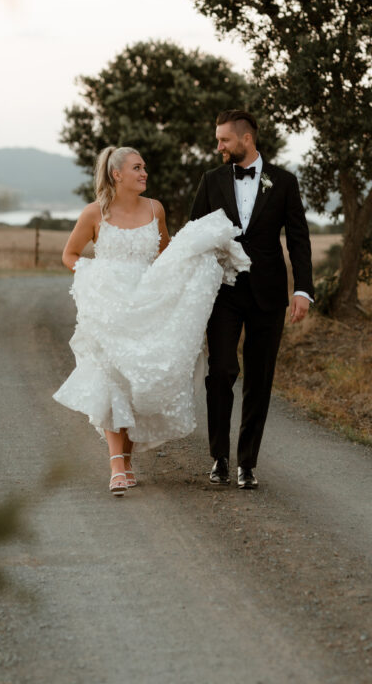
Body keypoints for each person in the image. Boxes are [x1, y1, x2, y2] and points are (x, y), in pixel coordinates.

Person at [53, 144, 249, 496]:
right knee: (111, 376)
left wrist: (198, 264)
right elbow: (69, 255)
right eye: (137, 168)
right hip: (109, 306)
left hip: (147, 304)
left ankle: (125, 461)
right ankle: (116, 466)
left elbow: (166, 256)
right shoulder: (94, 214)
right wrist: (92, 279)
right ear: (117, 175)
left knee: (135, 382)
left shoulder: (155, 209)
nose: (144, 173)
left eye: (144, 168)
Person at [190, 109, 314, 490]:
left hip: (268, 293)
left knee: (260, 378)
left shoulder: (285, 182)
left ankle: (247, 463)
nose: (219, 146)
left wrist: (302, 289)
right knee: (222, 371)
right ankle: (219, 457)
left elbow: (298, 238)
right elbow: (193, 235)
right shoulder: (211, 181)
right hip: (222, 292)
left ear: (246, 139)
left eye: (224, 139)